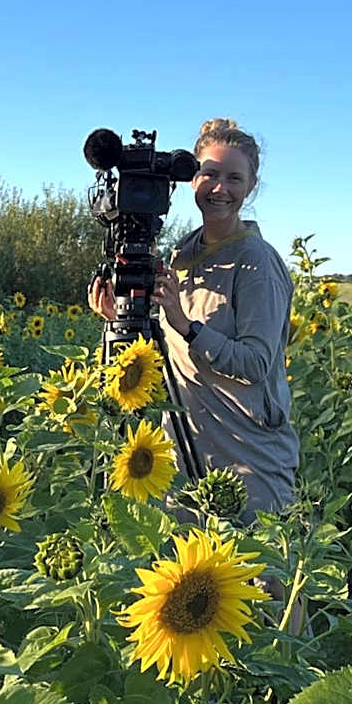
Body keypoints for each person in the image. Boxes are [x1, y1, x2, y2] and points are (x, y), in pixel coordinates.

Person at [87, 118, 300, 525]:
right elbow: (168, 350)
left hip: (248, 454)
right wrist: (119, 317)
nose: (221, 188)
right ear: (191, 180)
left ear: (251, 185)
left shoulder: (257, 261)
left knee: (261, 581)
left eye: (234, 178)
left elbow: (255, 364)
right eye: (210, 174)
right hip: (185, 445)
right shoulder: (184, 253)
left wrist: (187, 325)